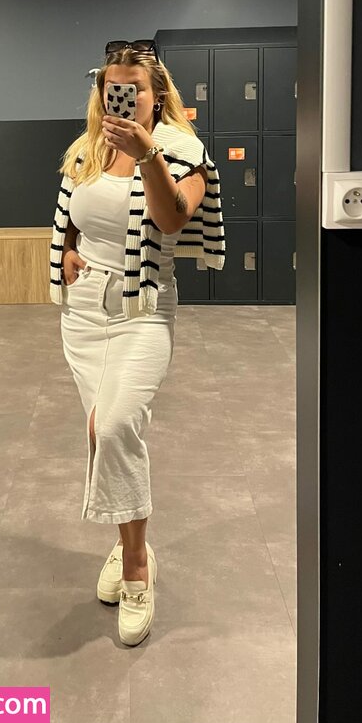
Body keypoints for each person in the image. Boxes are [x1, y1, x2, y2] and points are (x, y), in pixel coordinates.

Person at [49, 39, 225, 646]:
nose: (119, 99)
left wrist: (147, 153)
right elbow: (73, 215)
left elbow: (171, 218)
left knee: (116, 425)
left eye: (133, 90)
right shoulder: (87, 148)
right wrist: (69, 250)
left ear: (156, 94)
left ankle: (136, 568)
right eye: (111, 90)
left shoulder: (182, 151)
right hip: (84, 312)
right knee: (101, 430)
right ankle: (132, 541)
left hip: (143, 307)